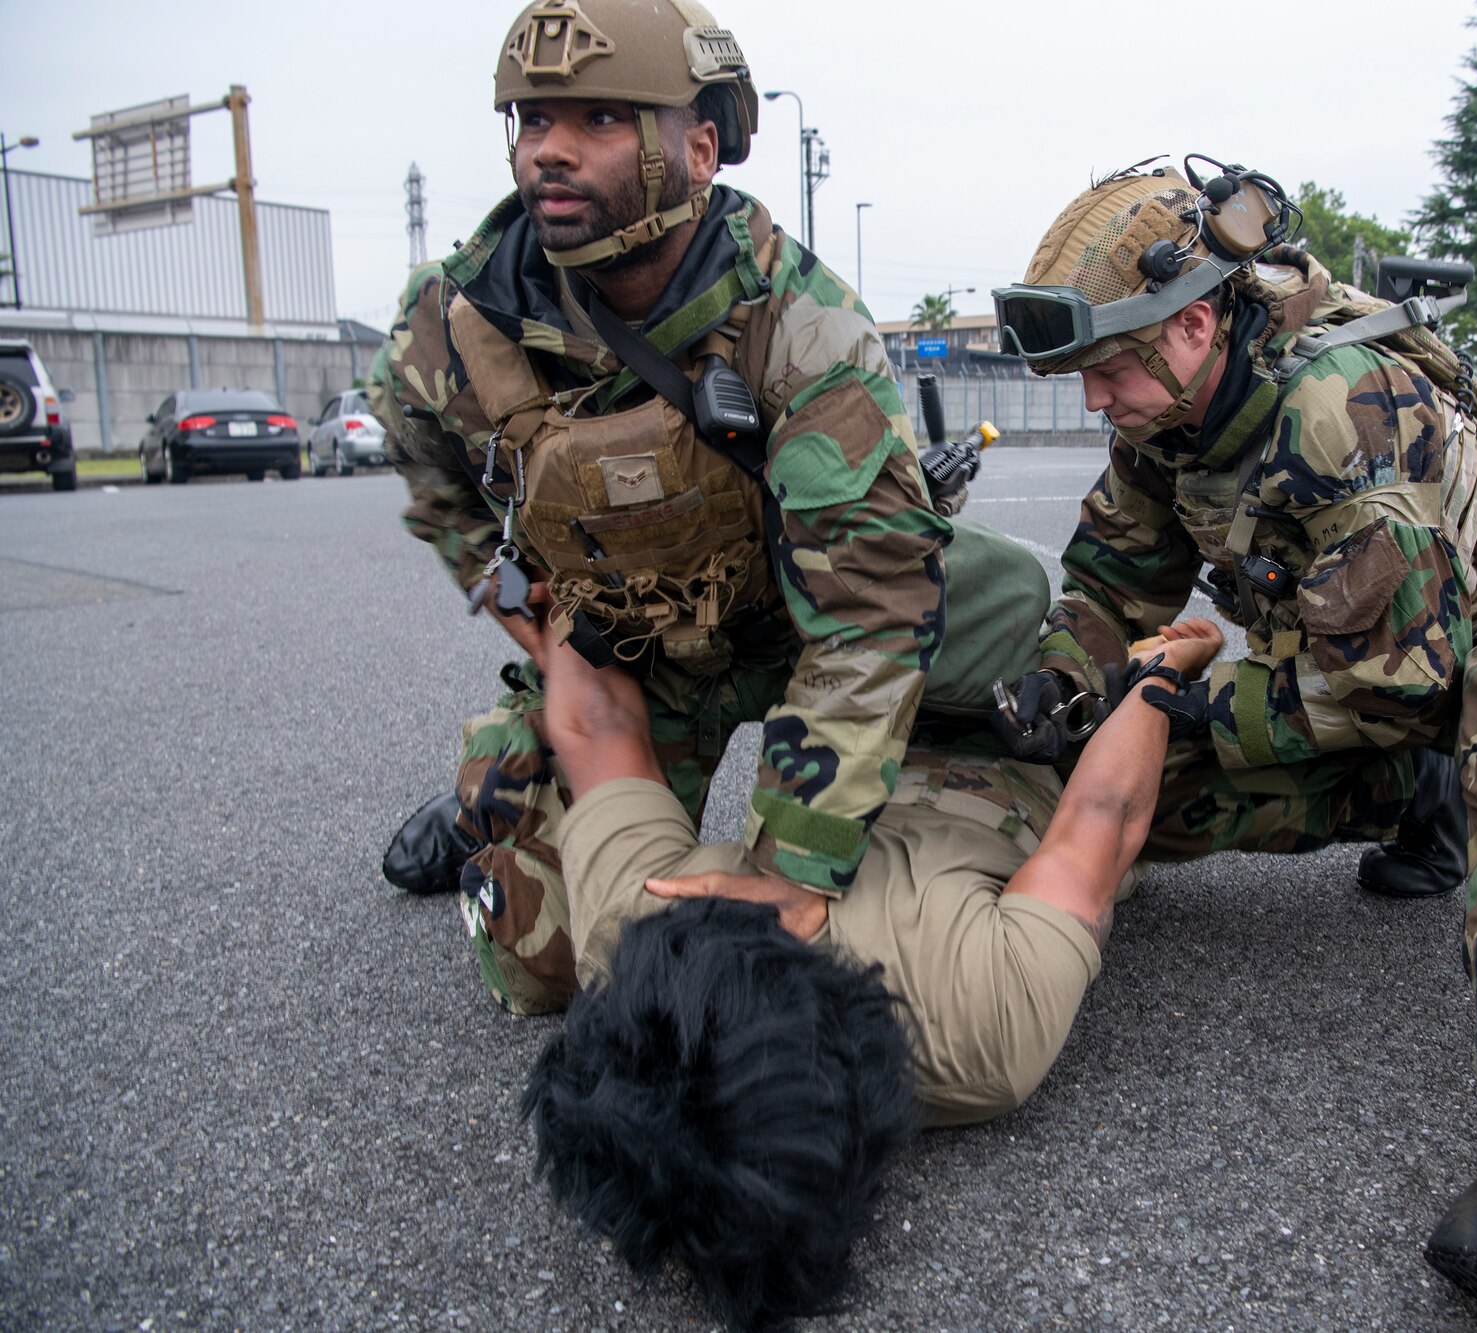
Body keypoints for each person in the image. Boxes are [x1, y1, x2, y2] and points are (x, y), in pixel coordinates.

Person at [988, 160, 1477, 1333]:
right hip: (1368, 677)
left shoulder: (1339, 403)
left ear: (1193, 322)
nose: (1093, 401)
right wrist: (1062, 675)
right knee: (1122, 776)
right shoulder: (1168, 413)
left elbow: (1397, 680)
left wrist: (1196, 707)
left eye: (1107, 370)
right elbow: (1109, 580)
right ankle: (1426, 800)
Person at [369, 0, 1038, 978]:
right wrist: (529, 614)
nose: (549, 152)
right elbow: (433, 482)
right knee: (543, 968)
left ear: (699, 146)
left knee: (786, 942)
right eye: (531, 120)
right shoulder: (454, 319)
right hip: (632, 649)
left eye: (598, 119)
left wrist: (792, 859)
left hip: (792, 626)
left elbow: (868, 612)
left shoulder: (799, 327)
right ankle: (491, 801)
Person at [518, 614, 1344, 1328]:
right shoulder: (980, 1024)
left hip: (857, 686)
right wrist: (1163, 674)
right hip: (1023, 723)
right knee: (1331, 759)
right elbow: (1104, 814)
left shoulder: (635, 926)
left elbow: (594, 722)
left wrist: (568, 595)